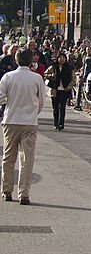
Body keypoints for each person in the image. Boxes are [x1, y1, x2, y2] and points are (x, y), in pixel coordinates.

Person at [0, 48, 49, 205]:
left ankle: (7, 190)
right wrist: (34, 111)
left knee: (8, 157)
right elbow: (41, 100)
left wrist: (7, 105)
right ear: (31, 61)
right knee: (27, 159)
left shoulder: (8, 76)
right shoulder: (36, 78)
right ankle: (24, 193)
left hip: (11, 120)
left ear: (16, 59)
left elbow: (0, 96)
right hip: (29, 122)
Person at [45, 51, 76, 131]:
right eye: (60, 58)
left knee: (62, 107)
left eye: (63, 58)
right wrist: (51, 75)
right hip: (55, 89)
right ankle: (56, 123)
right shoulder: (53, 66)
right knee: (55, 108)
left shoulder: (69, 68)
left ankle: (61, 123)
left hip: (64, 90)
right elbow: (45, 74)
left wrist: (69, 87)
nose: (62, 59)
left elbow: (73, 79)